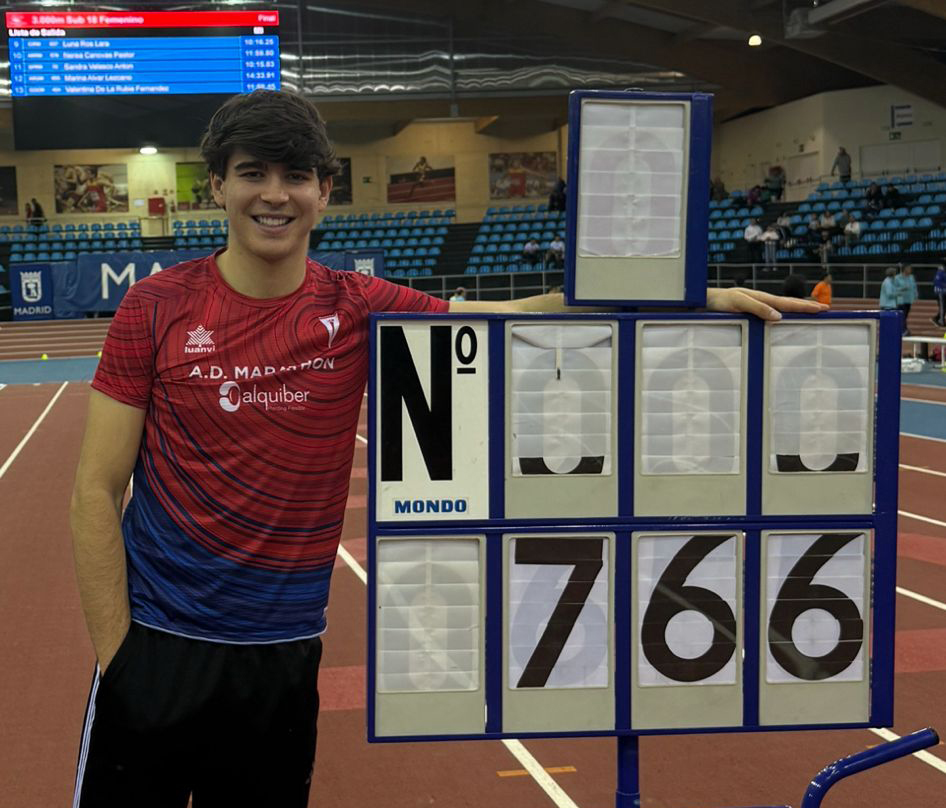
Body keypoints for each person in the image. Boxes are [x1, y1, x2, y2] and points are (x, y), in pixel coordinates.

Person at [69, 89, 826, 808]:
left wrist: (691, 297)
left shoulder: (356, 307)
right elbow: (95, 491)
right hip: (159, 643)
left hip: (286, 652)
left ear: (324, 191)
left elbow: (517, 313)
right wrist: (121, 659)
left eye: (295, 175)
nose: (275, 194)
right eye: (253, 174)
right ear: (219, 189)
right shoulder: (157, 306)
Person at [895, 264, 918, 335]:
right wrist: (902, 289)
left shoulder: (911, 277)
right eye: (909, 268)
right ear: (904, 269)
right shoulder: (897, 278)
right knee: (903, 316)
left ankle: (903, 330)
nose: (910, 270)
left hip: (909, 300)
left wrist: (916, 295)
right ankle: (903, 330)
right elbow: (894, 289)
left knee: (905, 316)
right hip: (901, 301)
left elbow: (914, 287)